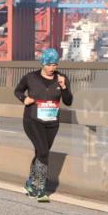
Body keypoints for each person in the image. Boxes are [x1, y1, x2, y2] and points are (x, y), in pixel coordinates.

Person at [14, 47, 72, 202]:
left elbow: (68, 101)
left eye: (55, 65)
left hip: (52, 123)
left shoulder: (62, 79)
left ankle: (30, 183)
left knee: (41, 153)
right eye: (49, 64)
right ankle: (40, 188)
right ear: (42, 63)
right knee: (44, 152)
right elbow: (18, 91)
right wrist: (24, 99)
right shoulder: (30, 77)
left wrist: (64, 87)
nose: (52, 68)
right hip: (32, 121)